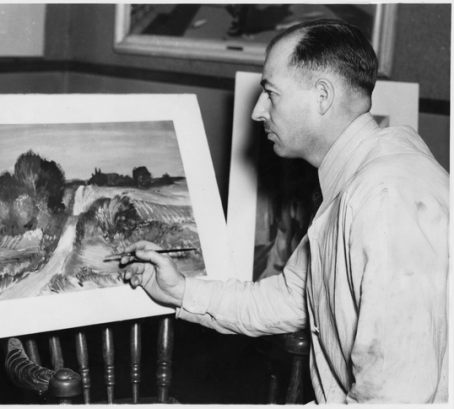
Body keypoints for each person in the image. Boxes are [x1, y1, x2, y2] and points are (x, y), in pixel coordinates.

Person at [120, 19, 449, 403]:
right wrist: (181, 291)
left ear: (322, 96)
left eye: (271, 94)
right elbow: (290, 296)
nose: (258, 111)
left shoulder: (385, 200)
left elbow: (394, 399)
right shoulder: (362, 173)